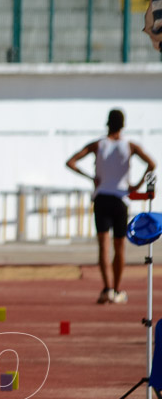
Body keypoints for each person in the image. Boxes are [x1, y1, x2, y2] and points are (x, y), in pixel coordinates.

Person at [66, 109, 155, 304]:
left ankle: (107, 289)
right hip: (121, 199)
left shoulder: (98, 145)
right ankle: (116, 288)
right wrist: (137, 185)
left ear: (108, 124)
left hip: (102, 198)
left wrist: (92, 178)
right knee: (119, 247)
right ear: (122, 125)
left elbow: (71, 162)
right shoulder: (129, 146)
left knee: (103, 247)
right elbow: (152, 163)